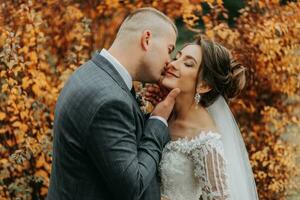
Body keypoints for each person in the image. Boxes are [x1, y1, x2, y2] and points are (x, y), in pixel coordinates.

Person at [47, 7, 180, 200]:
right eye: (169, 50)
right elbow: (134, 187)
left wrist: (149, 116)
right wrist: (158, 121)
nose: (169, 61)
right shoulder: (109, 100)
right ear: (147, 39)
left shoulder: (93, 72)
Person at [145, 37, 259, 200]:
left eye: (188, 64)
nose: (172, 64)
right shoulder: (164, 111)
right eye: (177, 57)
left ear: (204, 85)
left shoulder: (206, 141)